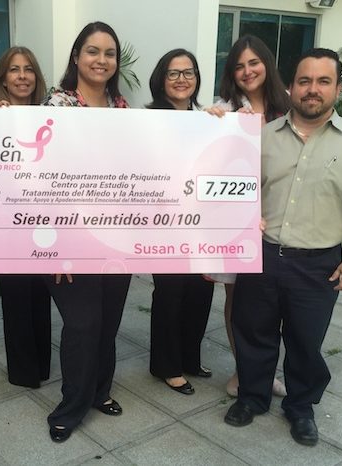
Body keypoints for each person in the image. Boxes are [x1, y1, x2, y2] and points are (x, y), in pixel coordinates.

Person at [224, 48, 342, 447]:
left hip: (318, 263)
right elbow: (234, 187)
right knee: (253, 332)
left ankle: (300, 407)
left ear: (338, 89)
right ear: (291, 87)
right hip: (262, 254)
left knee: (305, 341)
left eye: (323, 81)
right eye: (304, 81)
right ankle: (252, 397)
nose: (312, 89)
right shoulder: (262, 137)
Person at [41, 21, 131, 443]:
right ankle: (71, 406)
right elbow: (42, 179)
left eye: (109, 53)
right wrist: (57, 247)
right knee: (82, 324)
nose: (101, 60)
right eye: (92, 51)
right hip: (70, 237)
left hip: (116, 237)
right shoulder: (56, 106)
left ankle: (99, 391)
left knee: (107, 322)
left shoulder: (123, 109)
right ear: (77, 57)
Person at [206, 34, 290, 398]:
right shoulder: (222, 109)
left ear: (266, 64)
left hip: (282, 217)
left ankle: (265, 372)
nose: (247, 71)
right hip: (237, 223)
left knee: (273, 303)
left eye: (254, 63)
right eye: (239, 66)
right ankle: (244, 370)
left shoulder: (289, 107)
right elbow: (207, 161)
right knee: (238, 301)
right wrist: (212, 123)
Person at [146, 49, 215, 395]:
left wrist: (222, 124)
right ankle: (167, 366)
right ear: (161, 79)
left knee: (201, 292)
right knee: (171, 293)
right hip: (164, 223)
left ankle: (189, 357)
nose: (181, 79)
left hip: (201, 222)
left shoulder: (207, 120)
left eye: (188, 72)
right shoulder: (146, 120)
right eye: (173, 73)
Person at [0, 46, 53, 388]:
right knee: (15, 295)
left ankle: (42, 365)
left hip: (44, 219)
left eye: (28, 69)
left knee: (40, 295)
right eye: (14, 70)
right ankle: (23, 371)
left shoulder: (52, 117)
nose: (22, 76)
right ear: (4, 78)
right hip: (7, 220)